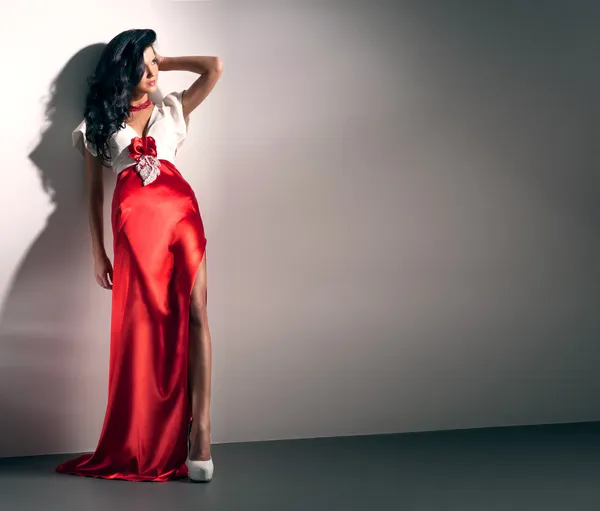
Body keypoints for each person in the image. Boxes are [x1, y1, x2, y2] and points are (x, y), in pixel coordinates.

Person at [55, 29, 223, 482]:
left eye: (154, 62)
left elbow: (214, 67)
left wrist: (161, 64)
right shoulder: (99, 123)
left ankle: (201, 432)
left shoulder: (172, 107)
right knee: (142, 326)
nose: (151, 71)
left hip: (182, 217)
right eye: (143, 63)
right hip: (134, 230)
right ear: (122, 67)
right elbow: (92, 193)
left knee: (198, 313)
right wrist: (97, 252)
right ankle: (146, 436)